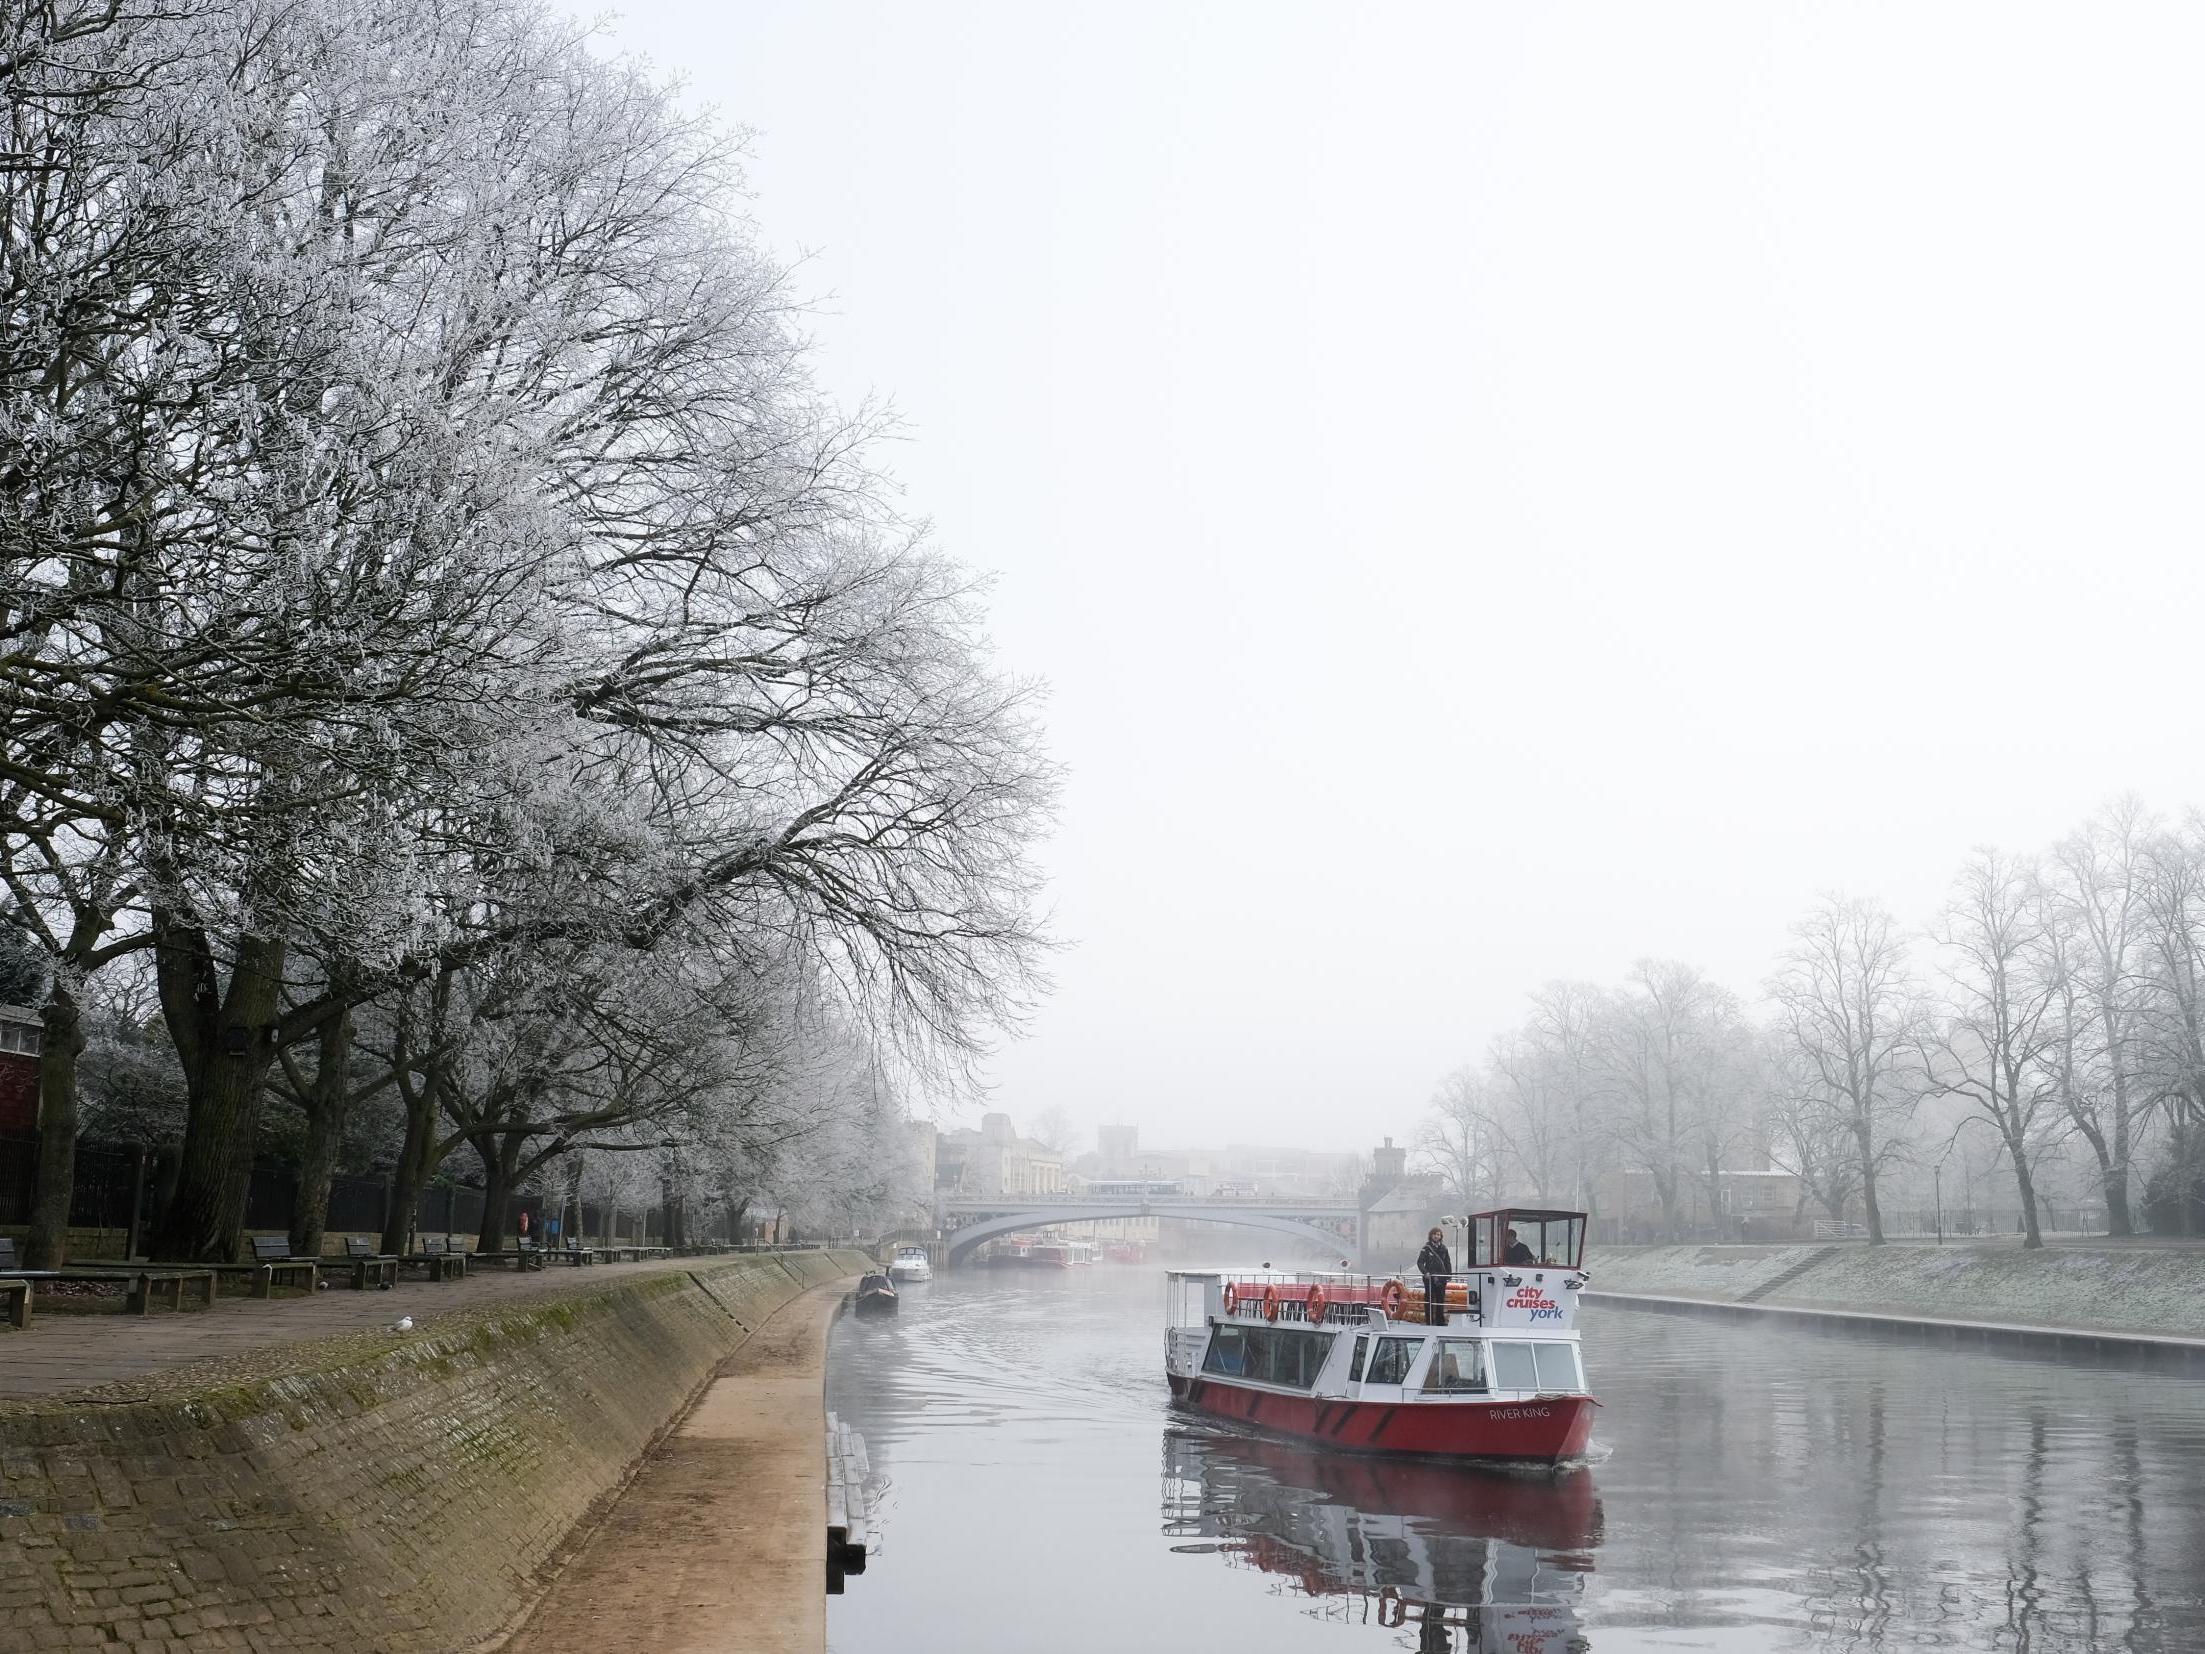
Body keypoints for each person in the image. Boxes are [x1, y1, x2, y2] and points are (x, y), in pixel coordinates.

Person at [1415, 1226, 1451, 1327]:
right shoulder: (1426, 1248)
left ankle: (1440, 1321)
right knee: (1429, 1299)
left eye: (1438, 1234)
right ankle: (1429, 1320)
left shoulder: (1444, 1248)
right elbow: (1420, 1262)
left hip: (1441, 1278)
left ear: (1441, 1236)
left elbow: (1447, 1262)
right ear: (1431, 1235)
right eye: (1435, 1234)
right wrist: (1425, 1272)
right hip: (1430, 1278)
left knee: (1440, 1300)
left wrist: (1449, 1275)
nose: (1436, 1236)